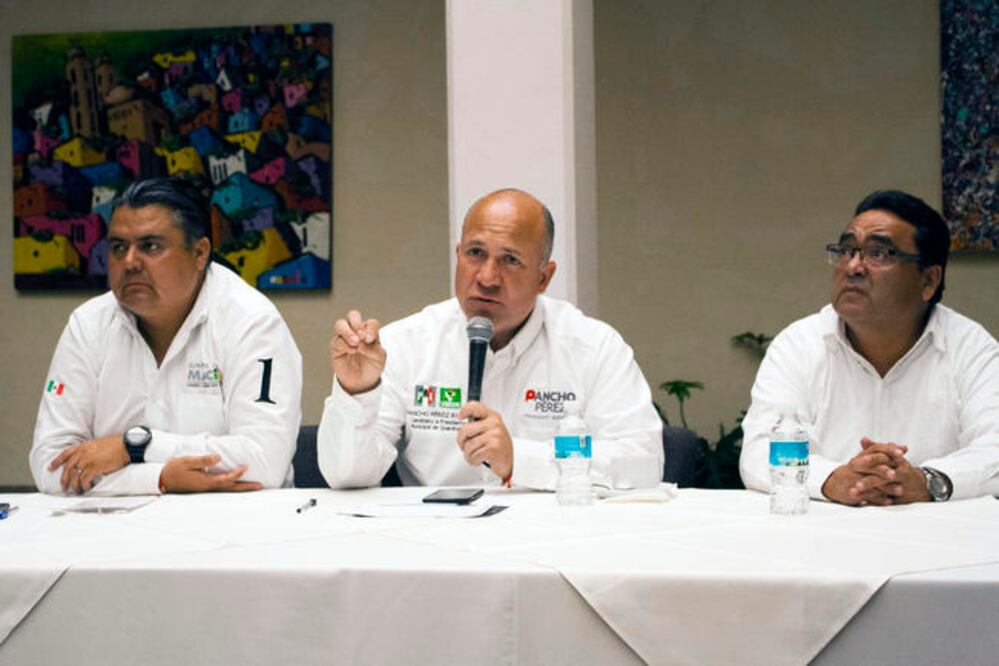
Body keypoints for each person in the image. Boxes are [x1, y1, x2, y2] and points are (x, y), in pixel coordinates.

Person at [318, 188, 662, 489]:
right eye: (475, 253)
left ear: (544, 277)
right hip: (438, 545)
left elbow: (642, 461)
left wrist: (521, 459)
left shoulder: (593, 347)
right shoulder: (406, 344)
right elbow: (346, 477)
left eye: (510, 260)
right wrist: (357, 393)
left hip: (554, 539)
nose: (486, 277)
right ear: (457, 255)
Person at [30, 177, 303, 495]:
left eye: (151, 246)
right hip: (114, 528)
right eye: (118, 247)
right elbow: (50, 463)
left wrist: (134, 447)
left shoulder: (252, 322)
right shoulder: (88, 324)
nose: (130, 262)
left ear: (200, 253)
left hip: (237, 526)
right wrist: (159, 479)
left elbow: (263, 462)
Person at [740, 190, 998, 505]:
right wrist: (835, 479)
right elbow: (759, 451)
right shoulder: (799, 345)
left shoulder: (971, 348)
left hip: (940, 539)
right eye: (847, 250)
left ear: (928, 280)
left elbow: (994, 449)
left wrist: (925, 481)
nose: (853, 267)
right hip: (821, 539)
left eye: (878, 253)